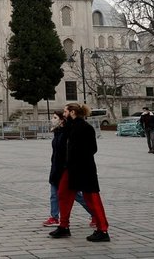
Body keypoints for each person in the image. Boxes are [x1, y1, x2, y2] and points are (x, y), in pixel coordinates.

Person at [49, 103, 110, 242]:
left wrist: (77, 159)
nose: (63, 114)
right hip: (70, 169)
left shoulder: (85, 128)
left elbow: (92, 149)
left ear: (72, 112)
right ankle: (64, 226)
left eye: (65, 112)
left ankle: (103, 230)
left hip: (84, 169)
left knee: (92, 199)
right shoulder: (68, 127)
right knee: (63, 194)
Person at [44, 110, 95, 228]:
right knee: (54, 194)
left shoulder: (67, 133)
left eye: (55, 117)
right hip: (56, 168)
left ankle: (94, 213)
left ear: (62, 120)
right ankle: (54, 217)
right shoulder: (58, 132)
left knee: (77, 196)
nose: (52, 119)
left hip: (65, 169)